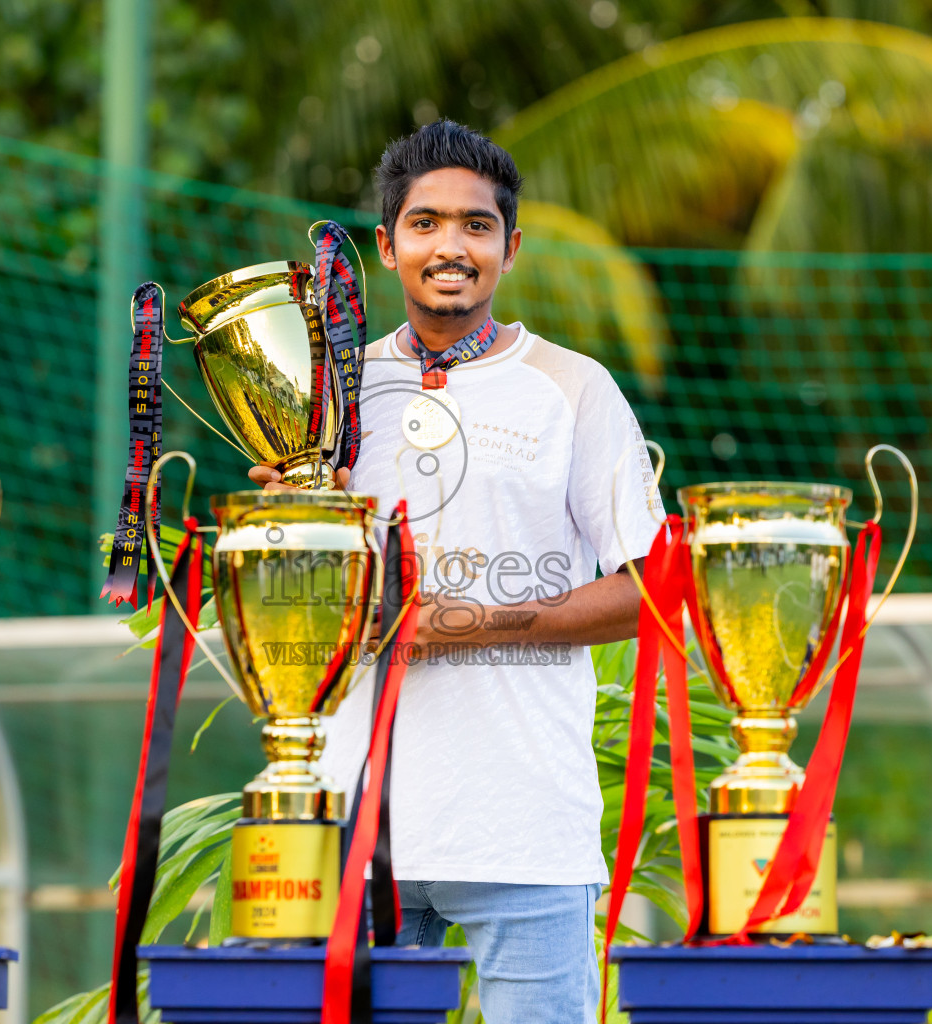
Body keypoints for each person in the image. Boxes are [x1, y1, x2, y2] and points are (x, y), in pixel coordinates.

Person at [247, 119, 665, 1024]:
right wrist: (288, 521)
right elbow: (299, 606)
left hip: (523, 823)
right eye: (426, 222)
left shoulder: (573, 388)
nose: (451, 246)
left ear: (510, 248)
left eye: (476, 226)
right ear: (387, 244)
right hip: (349, 820)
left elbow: (655, 589)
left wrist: (466, 621)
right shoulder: (328, 400)